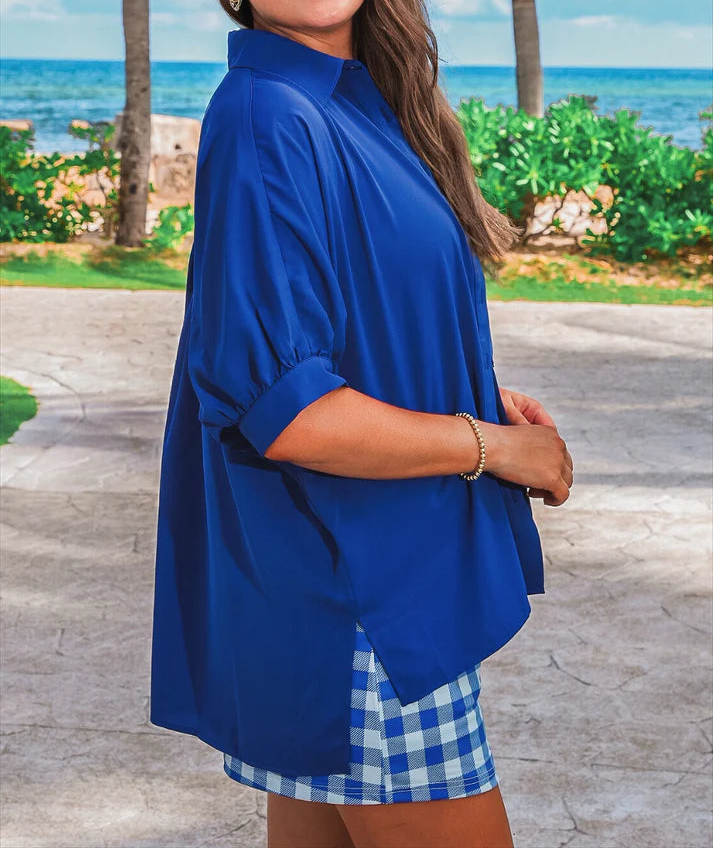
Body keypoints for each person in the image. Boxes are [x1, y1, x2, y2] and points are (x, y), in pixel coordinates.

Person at [150, 1, 574, 846]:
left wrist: (465, 386)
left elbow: (351, 321)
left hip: (363, 581)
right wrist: (494, 448)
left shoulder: (356, 101)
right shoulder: (270, 112)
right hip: (359, 606)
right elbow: (290, 411)